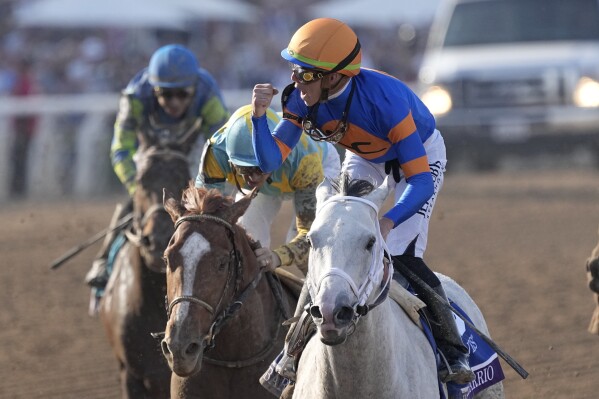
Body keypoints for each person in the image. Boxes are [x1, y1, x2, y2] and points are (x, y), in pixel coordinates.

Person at [251, 18, 474, 385]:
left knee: (401, 251)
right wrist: (259, 118)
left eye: (305, 74)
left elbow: (417, 182)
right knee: (338, 241)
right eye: (294, 70)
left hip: (418, 157)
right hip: (366, 155)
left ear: (334, 77)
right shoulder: (302, 98)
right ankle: (291, 351)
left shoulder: (386, 102)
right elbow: (269, 160)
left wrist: (388, 221)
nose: (294, 81)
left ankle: (453, 351)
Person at [85, 44, 230, 289]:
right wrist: (136, 187)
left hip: (192, 152)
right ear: (153, 90)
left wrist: (204, 189)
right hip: (150, 152)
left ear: (194, 89)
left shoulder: (209, 97)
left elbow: (221, 147)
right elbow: (121, 149)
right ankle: (102, 261)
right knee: (135, 206)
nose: (173, 102)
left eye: (182, 94)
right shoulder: (135, 97)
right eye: (165, 93)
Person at [196, 104, 340, 275]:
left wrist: (277, 257)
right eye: (245, 169)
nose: (254, 179)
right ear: (230, 159)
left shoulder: (305, 162)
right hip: (277, 177)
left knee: (308, 255)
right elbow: (202, 218)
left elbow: (309, 235)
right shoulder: (215, 153)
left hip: (319, 166)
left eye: (261, 168)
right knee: (247, 238)